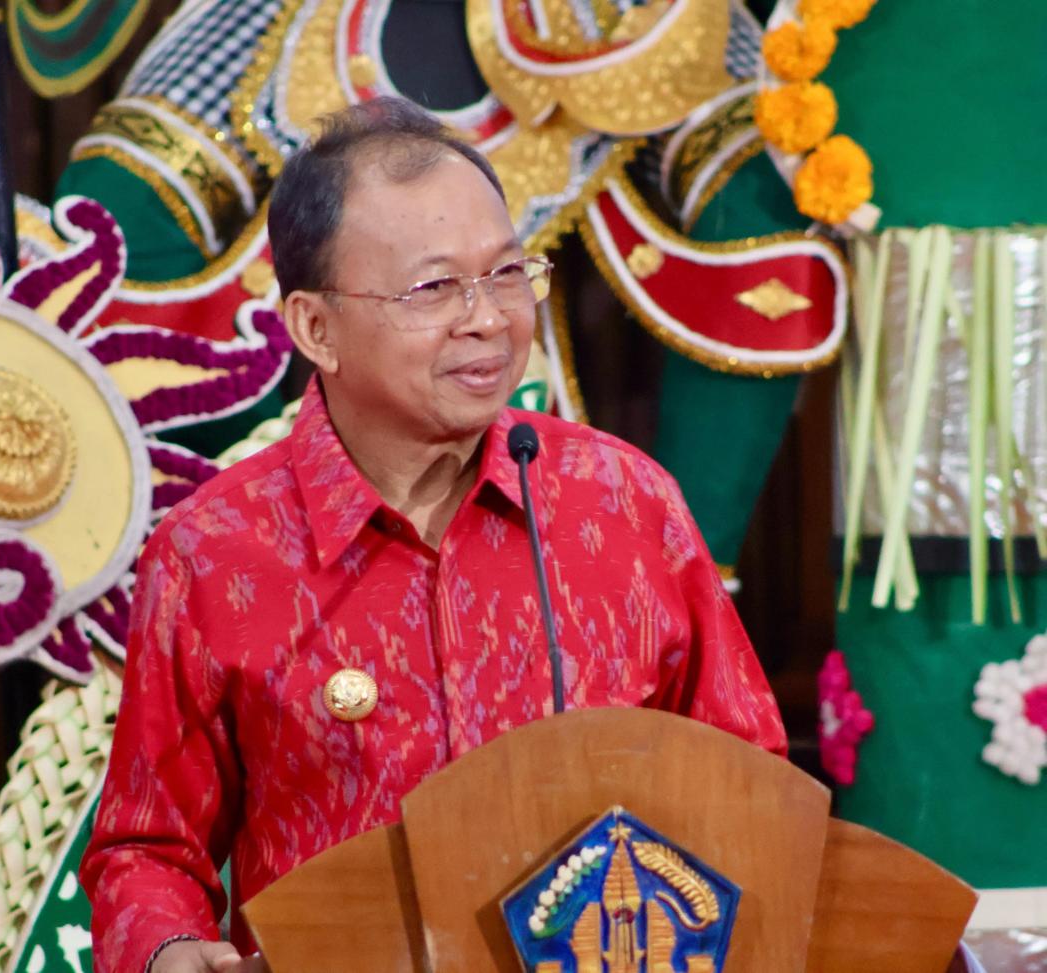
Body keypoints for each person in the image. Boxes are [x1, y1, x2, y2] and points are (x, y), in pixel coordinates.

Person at [81, 96, 787, 973]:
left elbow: (751, 789)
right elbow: (147, 848)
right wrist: (171, 948)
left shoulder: (623, 501)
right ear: (315, 327)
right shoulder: (214, 549)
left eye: (504, 274)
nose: (488, 318)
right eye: (434, 287)